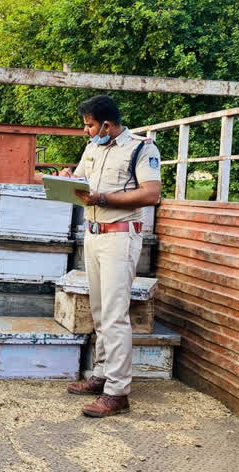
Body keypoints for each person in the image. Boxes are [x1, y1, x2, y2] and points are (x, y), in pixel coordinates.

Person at [59, 95, 162, 417]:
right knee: (100, 310)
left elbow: (151, 193)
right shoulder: (92, 148)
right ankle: (102, 375)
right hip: (93, 234)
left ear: (106, 124)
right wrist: (66, 180)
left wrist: (103, 197)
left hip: (120, 236)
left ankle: (118, 392)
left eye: (89, 126)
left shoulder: (141, 148)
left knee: (116, 315)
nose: (87, 132)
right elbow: (82, 185)